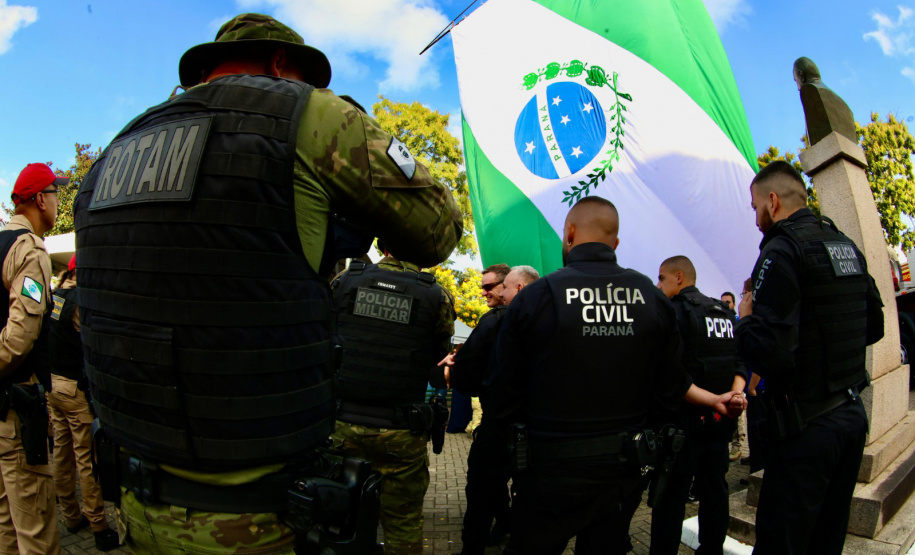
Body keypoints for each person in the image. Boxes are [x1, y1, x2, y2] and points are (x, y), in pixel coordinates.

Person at [72, 13, 461, 554]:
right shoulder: (312, 115)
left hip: (138, 504)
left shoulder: (116, 149)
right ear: (281, 64)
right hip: (259, 520)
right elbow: (439, 230)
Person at [487, 197, 742, 555]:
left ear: (570, 233)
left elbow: (501, 393)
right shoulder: (653, 299)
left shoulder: (536, 297)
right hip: (622, 474)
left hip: (549, 473)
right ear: (615, 243)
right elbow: (670, 387)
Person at [736, 161, 884, 555]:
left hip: (806, 431)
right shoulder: (843, 244)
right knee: (826, 541)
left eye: (755, 207)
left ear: (772, 201)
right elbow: (875, 327)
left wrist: (746, 321)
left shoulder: (781, 250)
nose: (756, 218)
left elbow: (772, 355)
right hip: (851, 420)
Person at [330, 241, 455, 555]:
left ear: (383, 247)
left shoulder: (345, 280)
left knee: (333, 517)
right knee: (403, 524)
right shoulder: (435, 294)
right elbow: (438, 354)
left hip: (340, 426)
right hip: (401, 432)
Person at [651, 256, 747, 555]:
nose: (658, 285)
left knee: (670, 499)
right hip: (718, 424)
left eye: (662, 278)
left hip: (681, 427)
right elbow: (740, 363)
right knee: (715, 491)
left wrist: (719, 400)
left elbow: (671, 377)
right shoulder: (724, 312)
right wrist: (733, 397)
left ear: (679, 277)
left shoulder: (673, 312)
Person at [441, 265, 539, 555]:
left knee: (482, 487)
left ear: (516, 287)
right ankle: (510, 527)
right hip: (539, 427)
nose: (485, 293)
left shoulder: (495, 321)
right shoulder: (552, 319)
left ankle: (475, 546)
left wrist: (455, 372)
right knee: (525, 490)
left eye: (494, 287)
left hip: (500, 424)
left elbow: (467, 376)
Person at [0, 162, 62, 554]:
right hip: (18, 413)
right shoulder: (29, 251)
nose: (58, 201)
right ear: (40, 199)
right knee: (36, 534)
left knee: (7, 527)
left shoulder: (1, 244)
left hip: (3, 410)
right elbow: (20, 336)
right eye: (56, 193)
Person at [46, 255, 120, 551]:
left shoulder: (54, 297)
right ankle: (99, 526)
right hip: (74, 391)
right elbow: (93, 343)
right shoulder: (78, 302)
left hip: (53, 385)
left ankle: (70, 516)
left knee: (61, 453)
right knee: (86, 459)